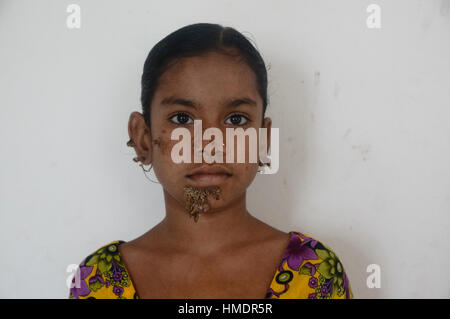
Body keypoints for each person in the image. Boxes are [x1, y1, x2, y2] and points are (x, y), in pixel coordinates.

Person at [68, 23, 353, 299]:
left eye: (236, 120)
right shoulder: (99, 281)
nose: (210, 143)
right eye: (183, 119)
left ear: (262, 140)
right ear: (143, 137)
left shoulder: (315, 275)